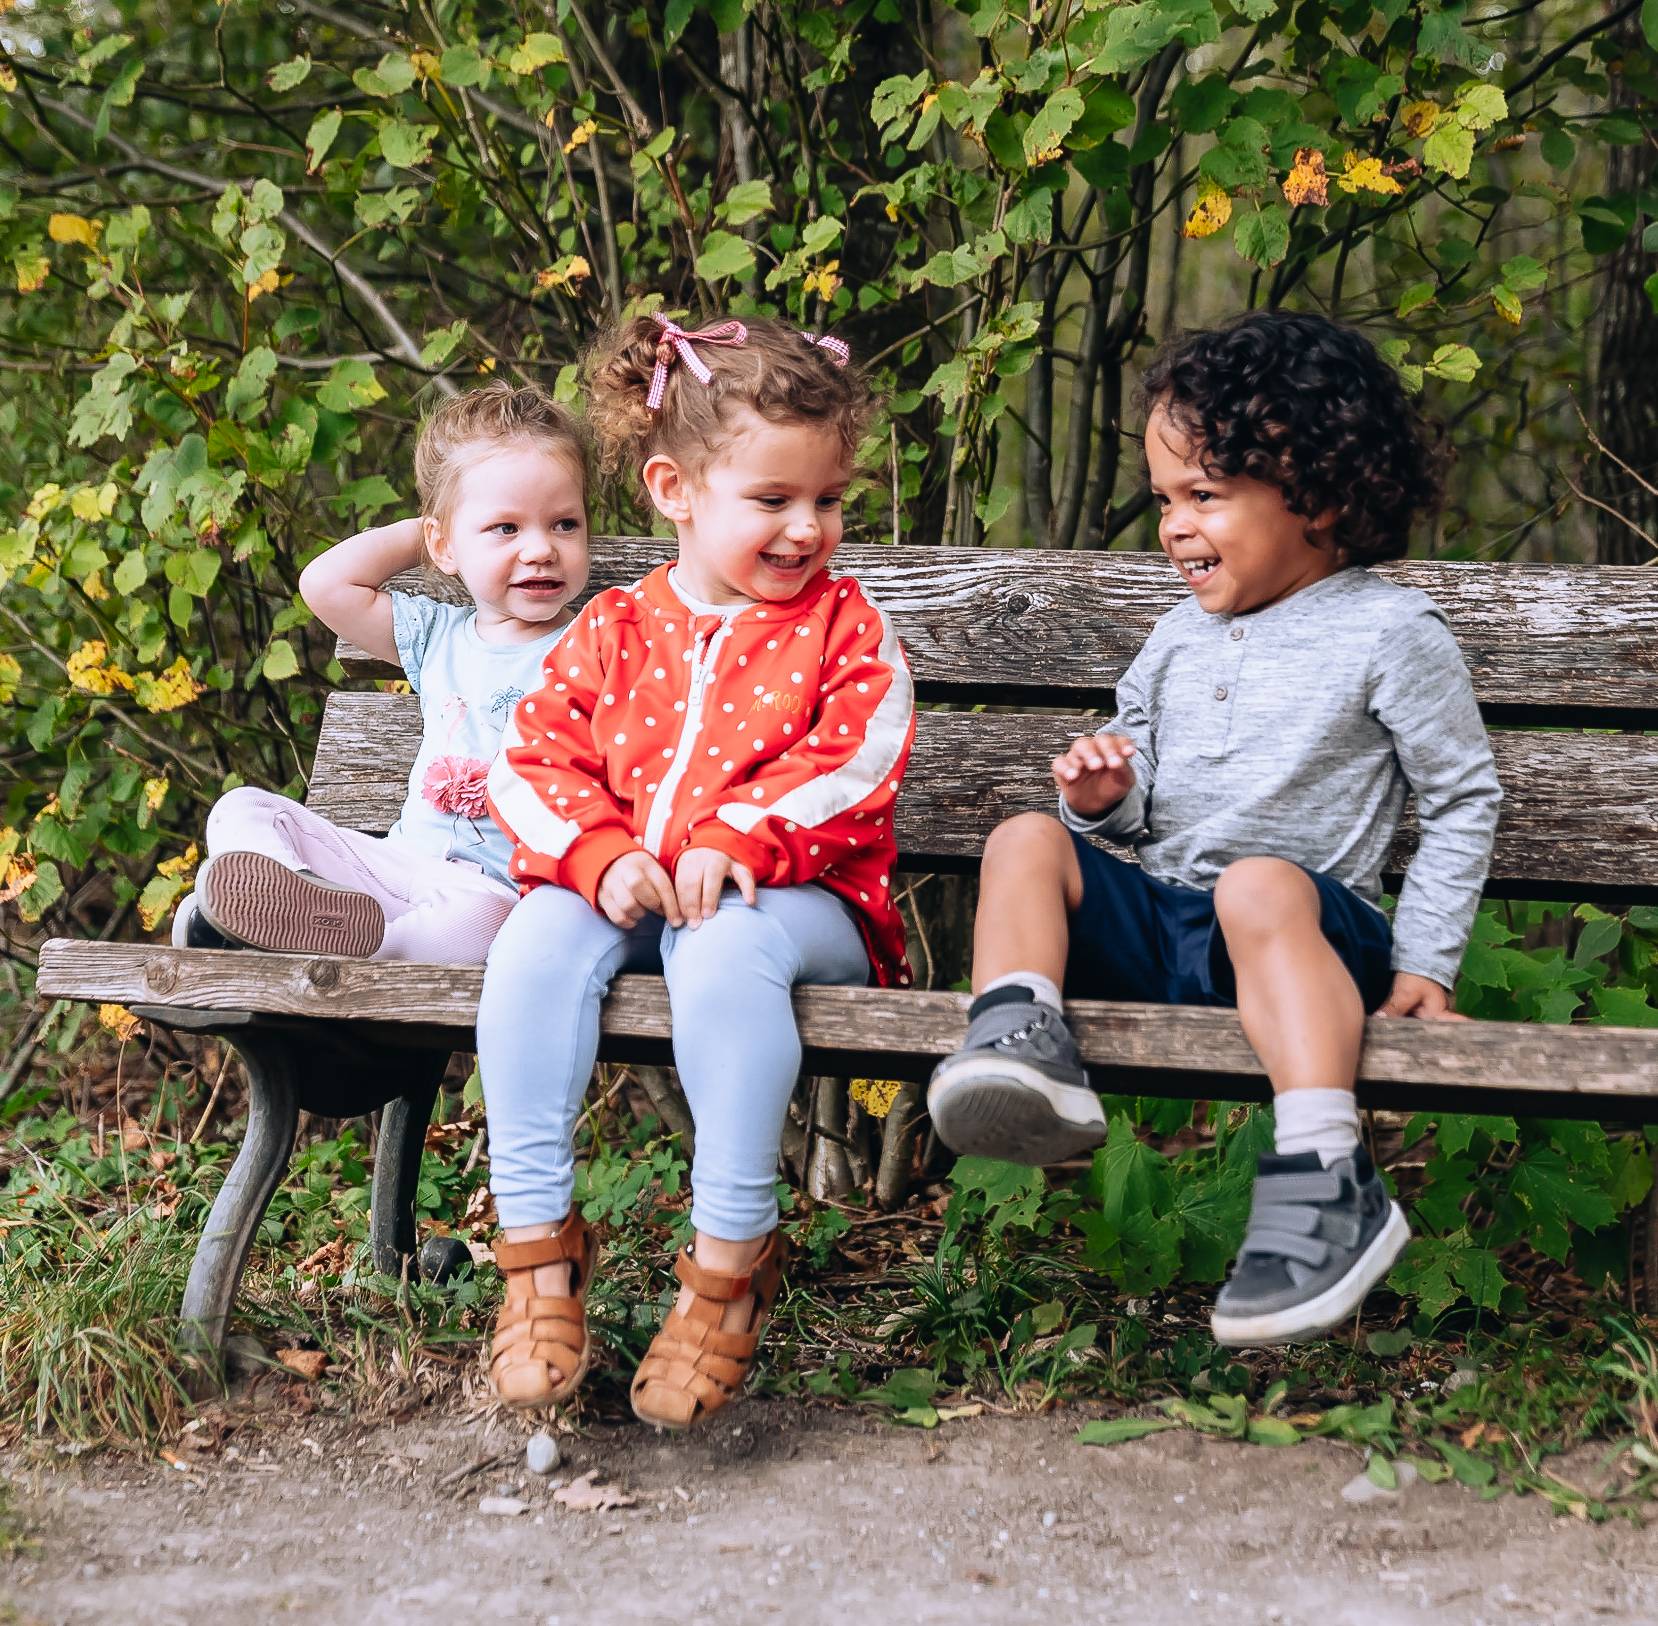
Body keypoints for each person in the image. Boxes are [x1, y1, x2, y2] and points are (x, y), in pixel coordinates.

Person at [927, 311, 1502, 1347]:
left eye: (1204, 496)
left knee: (1253, 887)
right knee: (1024, 837)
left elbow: (1461, 799)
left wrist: (1425, 963)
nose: (1174, 526)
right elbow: (1137, 791)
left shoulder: (1388, 632)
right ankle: (1022, 1049)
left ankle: (1327, 1175)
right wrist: (1101, 800)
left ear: (1317, 498)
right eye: (1162, 500)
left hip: (1304, 943)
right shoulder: (1173, 639)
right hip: (1171, 928)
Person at [478, 313, 915, 1425]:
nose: (806, 528)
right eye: (772, 501)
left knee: (719, 953)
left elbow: (858, 759)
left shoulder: (842, 629)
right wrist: (598, 853)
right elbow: (530, 761)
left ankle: (728, 1263)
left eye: (825, 500)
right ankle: (536, 1260)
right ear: (676, 489)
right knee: (531, 940)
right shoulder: (616, 626)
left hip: (796, 903)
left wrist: (737, 837)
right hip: (629, 880)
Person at [172, 382, 591, 963]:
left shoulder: (598, 642)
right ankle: (300, 901)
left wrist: (472, 533)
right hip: (392, 868)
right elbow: (323, 586)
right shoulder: (438, 636)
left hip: (495, 888)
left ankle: (352, 951)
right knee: (242, 808)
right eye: (506, 528)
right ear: (444, 545)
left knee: (481, 923)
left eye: (565, 524)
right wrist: (429, 535)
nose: (542, 548)